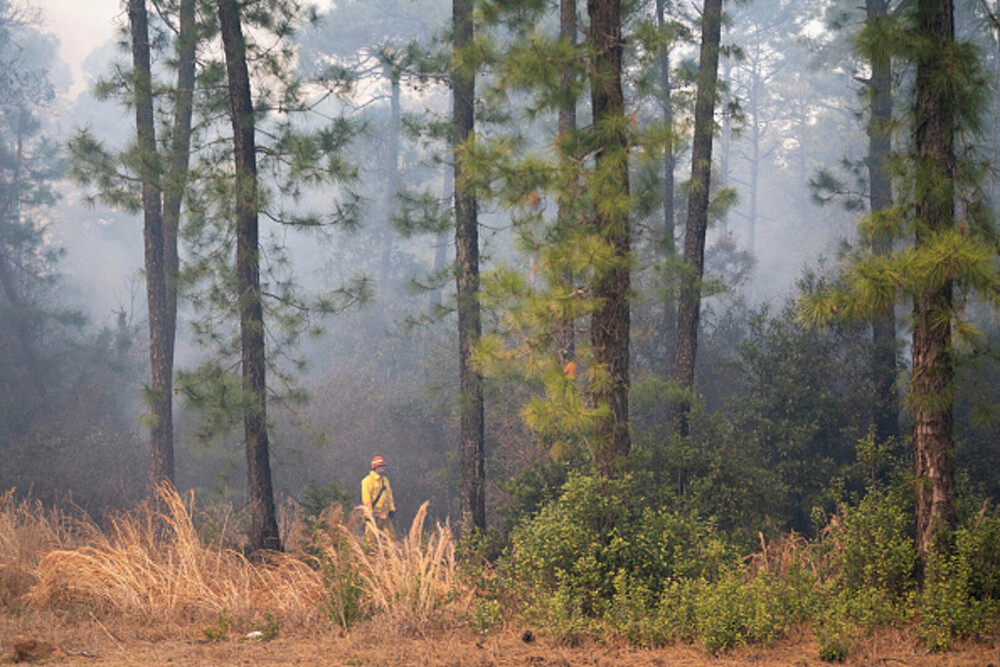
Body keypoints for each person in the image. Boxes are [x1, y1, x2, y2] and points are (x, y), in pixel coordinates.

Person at [361, 455, 396, 542]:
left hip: (385, 515)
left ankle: (388, 554)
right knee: (370, 539)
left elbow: (389, 496)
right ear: (376, 467)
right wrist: (369, 515)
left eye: (384, 466)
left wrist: (392, 509)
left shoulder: (385, 480)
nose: (384, 468)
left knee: (390, 538)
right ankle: (369, 555)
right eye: (382, 466)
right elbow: (366, 499)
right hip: (374, 516)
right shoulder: (367, 481)